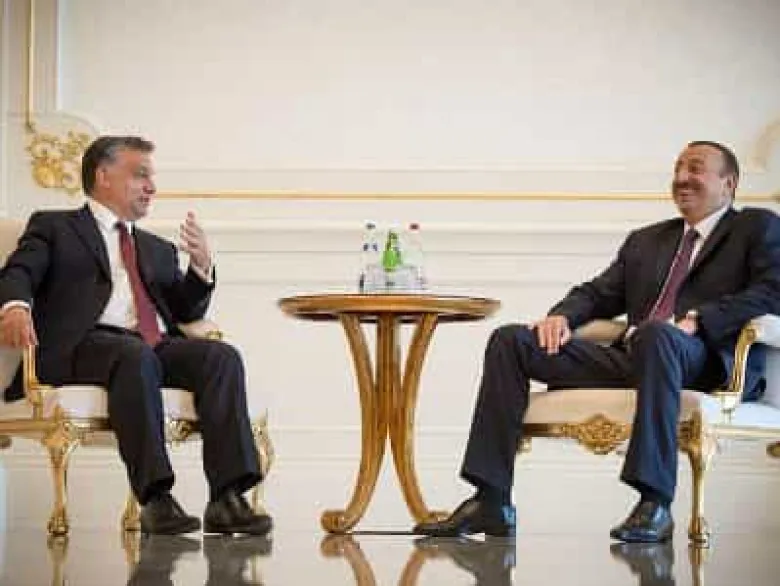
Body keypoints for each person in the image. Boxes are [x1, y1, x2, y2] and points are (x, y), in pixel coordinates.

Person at [413, 141, 780, 543]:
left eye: (695, 168)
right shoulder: (647, 241)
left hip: (703, 358)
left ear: (729, 183)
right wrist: (561, 316)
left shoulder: (756, 227)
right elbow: (597, 293)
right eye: (677, 168)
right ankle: (491, 499)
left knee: (657, 334)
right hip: (638, 355)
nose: (681, 178)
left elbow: (772, 291)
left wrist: (699, 320)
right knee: (512, 340)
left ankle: (654, 503)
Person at [0, 135, 271, 536]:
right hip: (81, 346)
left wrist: (201, 268)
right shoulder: (55, 227)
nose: (152, 187)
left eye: (152, 178)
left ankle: (227, 498)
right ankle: (156, 499)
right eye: (140, 175)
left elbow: (185, 312)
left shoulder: (157, 248)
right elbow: (18, 271)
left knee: (221, 357)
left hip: (150, 346)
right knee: (133, 355)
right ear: (103, 175)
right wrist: (15, 306)